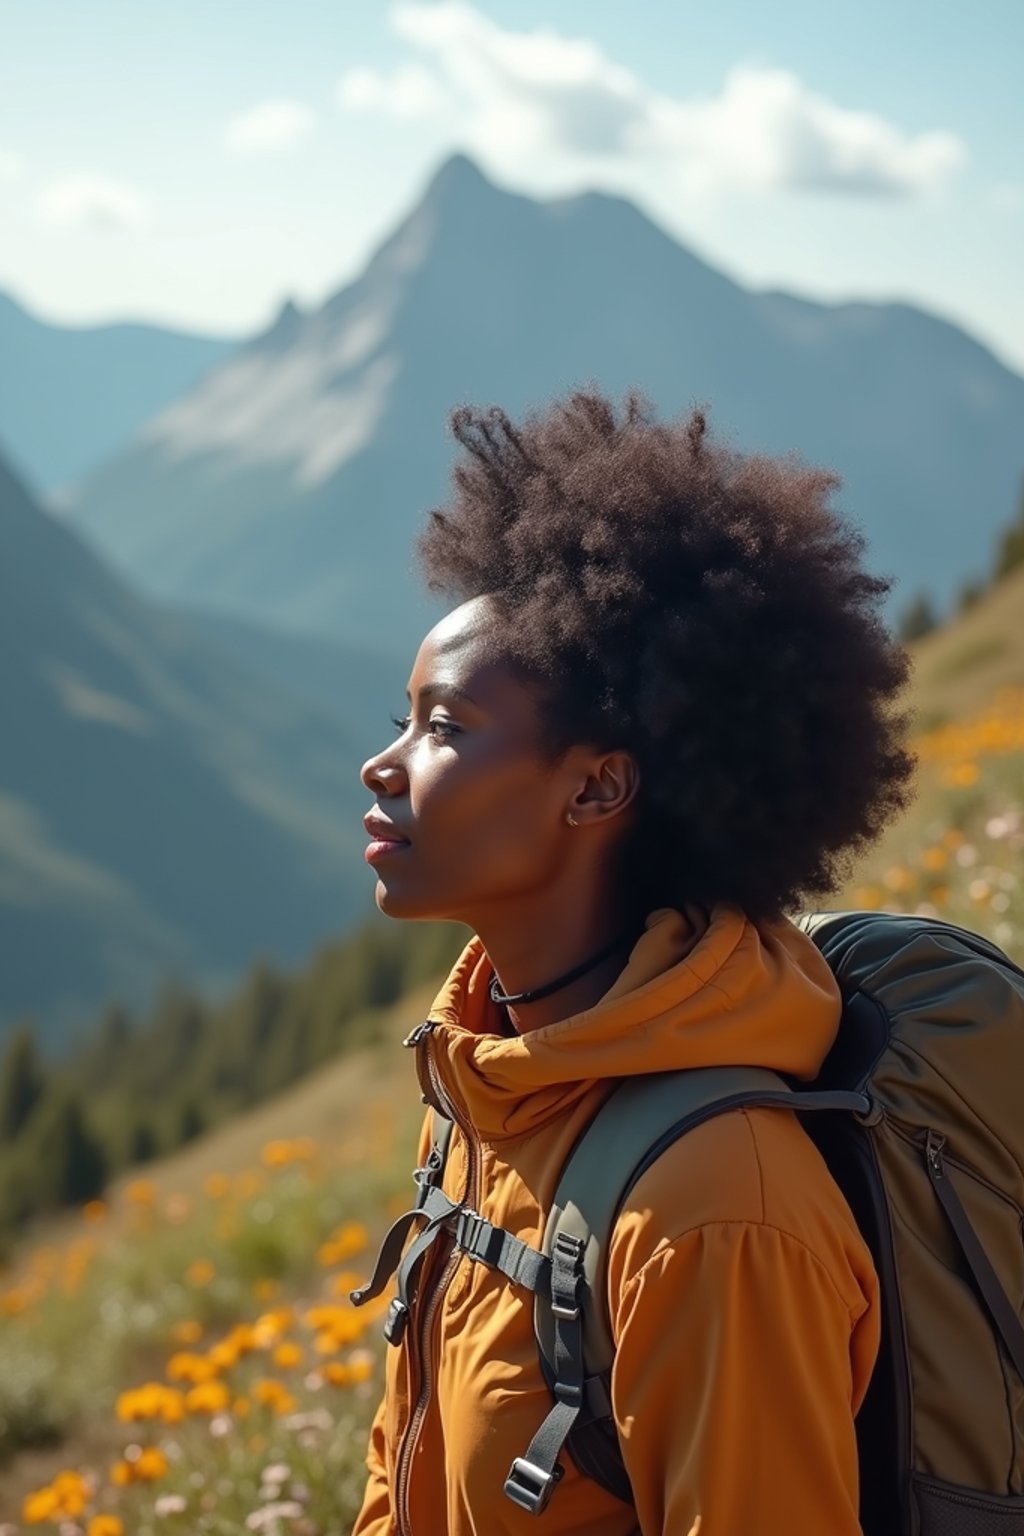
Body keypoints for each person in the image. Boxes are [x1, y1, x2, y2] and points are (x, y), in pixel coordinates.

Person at [352, 392, 913, 1536]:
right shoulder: (483, 1085)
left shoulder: (717, 1215)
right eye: (405, 719)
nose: (383, 764)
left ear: (597, 787)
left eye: (445, 726)